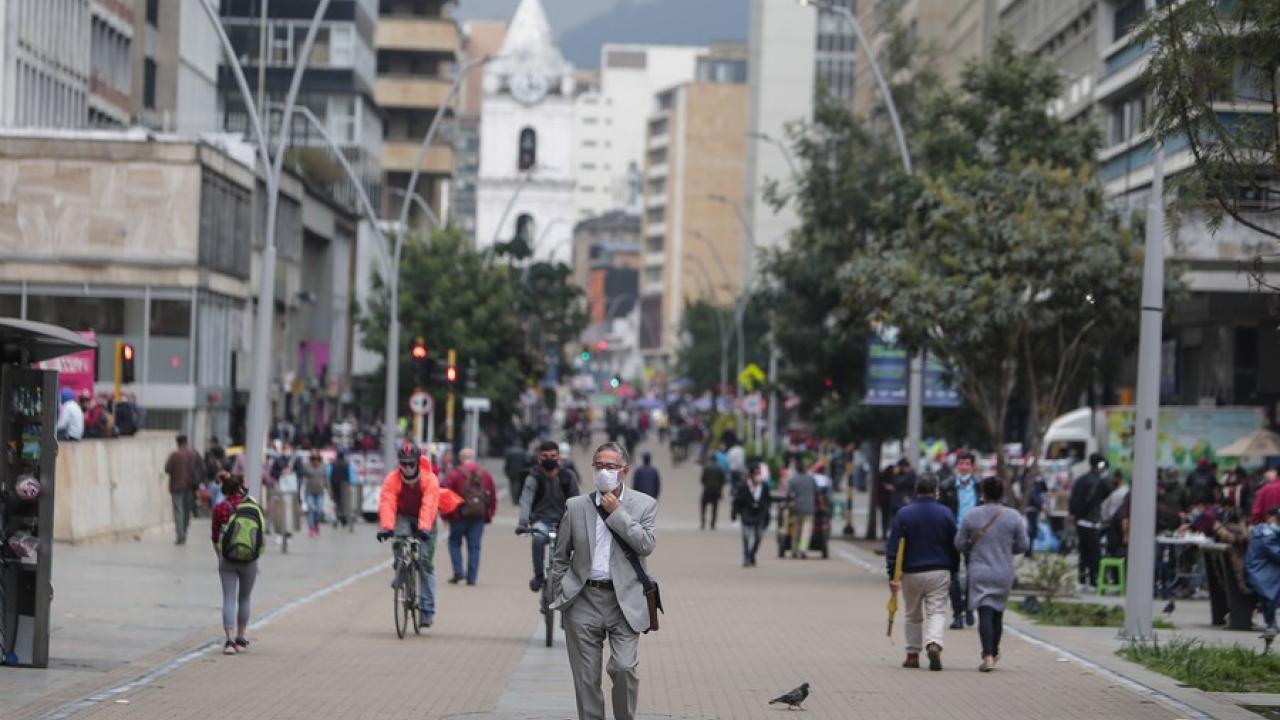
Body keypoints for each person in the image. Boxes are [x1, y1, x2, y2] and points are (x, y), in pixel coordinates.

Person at [550, 442, 657, 720]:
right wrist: (561, 593)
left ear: (624, 471)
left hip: (625, 601)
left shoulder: (644, 504)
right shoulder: (575, 507)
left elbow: (646, 545)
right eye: (598, 466)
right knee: (586, 680)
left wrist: (617, 513)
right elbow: (560, 557)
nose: (603, 472)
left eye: (610, 467)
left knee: (623, 668)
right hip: (584, 599)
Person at [955, 477, 1029, 672]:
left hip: (979, 570)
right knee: (998, 614)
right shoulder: (1013, 516)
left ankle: (987, 654)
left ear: (983, 493)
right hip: (1003, 570)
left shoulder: (972, 515)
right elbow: (1023, 545)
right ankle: (994, 652)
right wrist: (1005, 549)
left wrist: (973, 545)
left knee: (984, 612)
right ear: (1002, 493)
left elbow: (959, 543)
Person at [886, 474, 959, 671]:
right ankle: (934, 643)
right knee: (936, 611)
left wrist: (893, 575)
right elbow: (955, 545)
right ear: (936, 490)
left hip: (911, 572)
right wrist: (954, 569)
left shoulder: (904, 514)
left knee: (912, 615)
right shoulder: (946, 514)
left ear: (916, 490)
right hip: (939, 570)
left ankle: (912, 655)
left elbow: (893, 548)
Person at [376, 441, 441, 627]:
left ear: (418, 462)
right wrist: (386, 527)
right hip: (403, 515)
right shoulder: (392, 479)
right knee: (399, 540)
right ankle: (401, 568)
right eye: (403, 464)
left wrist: (424, 528)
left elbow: (429, 505)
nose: (407, 468)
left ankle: (427, 609)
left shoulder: (429, 479)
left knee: (426, 562)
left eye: (411, 463)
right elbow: (387, 503)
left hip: (426, 518)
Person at [211, 472, 264, 655]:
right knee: (244, 598)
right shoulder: (252, 506)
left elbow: (215, 537)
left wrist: (221, 556)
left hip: (227, 559)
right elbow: (261, 534)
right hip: (250, 560)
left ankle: (229, 641)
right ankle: (242, 638)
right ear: (241, 487)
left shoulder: (219, 508)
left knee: (228, 598)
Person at [518, 440, 580, 592]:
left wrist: (579, 523)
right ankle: (539, 576)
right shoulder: (534, 477)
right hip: (541, 521)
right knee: (538, 539)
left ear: (559, 457)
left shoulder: (567, 476)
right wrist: (523, 522)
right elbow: (526, 499)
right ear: (539, 458)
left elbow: (577, 502)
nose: (549, 459)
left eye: (553, 455)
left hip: (564, 522)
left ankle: (571, 578)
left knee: (573, 546)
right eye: (545, 456)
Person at [443, 448, 497, 586]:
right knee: (474, 547)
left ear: (461, 458)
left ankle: (458, 571)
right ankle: (471, 577)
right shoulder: (485, 474)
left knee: (454, 543)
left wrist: (446, 515)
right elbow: (492, 495)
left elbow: (446, 494)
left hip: (458, 516)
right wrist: (489, 513)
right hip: (478, 516)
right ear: (473, 458)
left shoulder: (454, 474)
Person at [940, 451, 981, 629]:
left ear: (972, 467)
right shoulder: (947, 486)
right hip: (953, 534)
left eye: (967, 464)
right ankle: (958, 613)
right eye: (961, 464)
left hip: (974, 535)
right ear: (956, 466)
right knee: (953, 575)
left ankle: (970, 607)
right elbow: (941, 511)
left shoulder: (979, 487)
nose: (964, 467)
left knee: (974, 574)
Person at [1068, 453, 1111, 589]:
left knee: (1083, 551)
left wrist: (1074, 514)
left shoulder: (1080, 480)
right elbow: (1104, 495)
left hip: (1081, 522)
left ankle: (1082, 579)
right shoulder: (1099, 481)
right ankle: (1093, 579)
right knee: (1094, 553)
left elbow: (1073, 499)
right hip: (1092, 522)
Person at [1245, 507, 1280, 635]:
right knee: (1273, 588)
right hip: (1260, 574)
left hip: (1260, 571)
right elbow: (1276, 554)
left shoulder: (1264, 531)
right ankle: (1271, 623)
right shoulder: (1267, 535)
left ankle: (1271, 623)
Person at [164, 434, 202, 545]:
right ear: (186, 441)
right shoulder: (194, 454)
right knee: (186, 510)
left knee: (178, 510)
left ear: (178, 443)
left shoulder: (175, 455)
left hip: (177, 486)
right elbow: (201, 468)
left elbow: (167, 469)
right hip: (191, 487)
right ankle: (184, 532)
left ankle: (180, 534)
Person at [733, 461, 772, 566]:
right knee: (746, 536)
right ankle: (746, 556)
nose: (758, 476)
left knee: (759, 536)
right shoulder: (744, 486)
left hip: (760, 514)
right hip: (747, 513)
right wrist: (735, 513)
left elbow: (768, 500)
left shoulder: (764, 486)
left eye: (759, 473)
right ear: (751, 475)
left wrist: (766, 510)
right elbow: (737, 500)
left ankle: (752, 554)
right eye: (756, 473)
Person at [787, 465, 818, 559]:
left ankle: (794, 550)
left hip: (796, 508)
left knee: (796, 530)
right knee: (806, 530)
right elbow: (817, 492)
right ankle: (803, 549)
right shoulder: (811, 479)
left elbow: (790, 495)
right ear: (805, 469)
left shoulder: (793, 480)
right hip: (809, 509)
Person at [298, 449, 327, 537]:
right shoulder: (307, 466)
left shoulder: (323, 466)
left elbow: (326, 478)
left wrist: (329, 490)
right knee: (311, 509)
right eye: (313, 457)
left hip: (320, 491)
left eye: (317, 457)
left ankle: (316, 523)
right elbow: (304, 473)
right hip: (309, 491)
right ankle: (311, 528)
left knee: (318, 510)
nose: (315, 460)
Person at [1101, 470, 1130, 558]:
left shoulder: (1116, 494)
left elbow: (1110, 514)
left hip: (1116, 530)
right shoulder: (1128, 491)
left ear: (1117, 478)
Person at [328, 448, 357, 527]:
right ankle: (343, 517)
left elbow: (328, 474)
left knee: (335, 502)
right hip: (345, 485)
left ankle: (336, 517)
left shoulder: (332, 463)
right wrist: (352, 484)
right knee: (344, 502)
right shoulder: (348, 464)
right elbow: (352, 477)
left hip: (334, 485)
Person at [699, 459, 727, 530]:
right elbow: (723, 481)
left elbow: (702, 479)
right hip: (716, 490)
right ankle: (713, 523)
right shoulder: (719, 469)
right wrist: (721, 490)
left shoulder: (706, 468)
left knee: (703, 506)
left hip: (707, 490)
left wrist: (706, 484)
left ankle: (703, 522)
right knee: (715, 508)